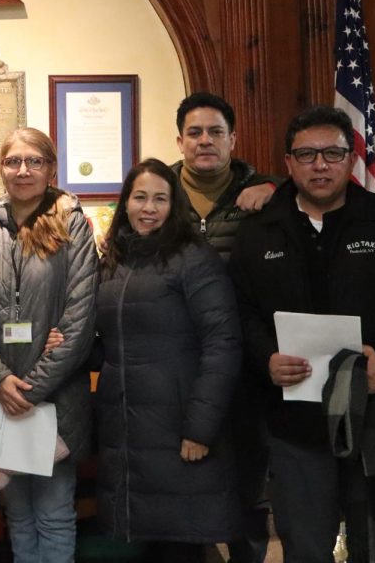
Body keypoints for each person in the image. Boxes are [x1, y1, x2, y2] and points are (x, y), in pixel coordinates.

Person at [229, 105, 375, 563]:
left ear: (352, 159)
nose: (319, 164)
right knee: (305, 545)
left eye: (332, 153)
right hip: (294, 424)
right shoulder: (257, 234)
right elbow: (239, 314)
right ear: (288, 163)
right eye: (306, 154)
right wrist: (264, 356)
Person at [0, 127, 98, 563]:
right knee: (16, 515)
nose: (23, 170)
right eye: (13, 161)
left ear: (51, 168)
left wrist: (30, 387)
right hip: (0, 397)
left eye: (34, 161)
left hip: (54, 400)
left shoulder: (73, 225)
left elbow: (81, 314)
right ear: (1, 168)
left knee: (53, 514)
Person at [95, 158, 242, 562]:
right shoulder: (114, 261)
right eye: (140, 197)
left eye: (160, 198)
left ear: (173, 204)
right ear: (125, 203)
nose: (148, 207)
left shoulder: (194, 258)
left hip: (179, 431)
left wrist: (201, 428)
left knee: (181, 546)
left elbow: (223, 343)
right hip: (128, 433)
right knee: (149, 545)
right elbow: (110, 342)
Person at [172, 91, 278, 563]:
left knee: (248, 482)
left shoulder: (264, 197)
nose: (205, 141)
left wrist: (279, 189)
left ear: (233, 139)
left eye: (215, 131)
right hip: (179, 365)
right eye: (194, 132)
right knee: (185, 480)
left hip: (247, 365)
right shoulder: (158, 196)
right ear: (179, 141)